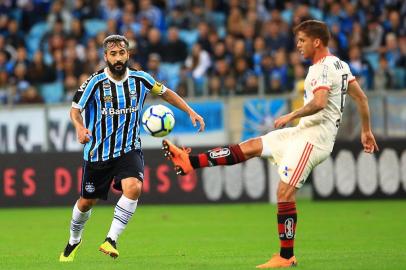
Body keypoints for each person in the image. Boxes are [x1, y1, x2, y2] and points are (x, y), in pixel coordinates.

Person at [162, 20, 379, 268]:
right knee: (253, 145)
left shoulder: (321, 69)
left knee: (284, 193)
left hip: (314, 139)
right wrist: (366, 130)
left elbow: (319, 103)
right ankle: (190, 162)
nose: (297, 45)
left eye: (302, 40)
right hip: (303, 132)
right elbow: (361, 98)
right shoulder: (340, 65)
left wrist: (291, 115)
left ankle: (286, 256)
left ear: (316, 41)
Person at [59, 34, 205, 262]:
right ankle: (74, 239)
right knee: (86, 202)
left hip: (129, 149)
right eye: (113, 54)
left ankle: (111, 239)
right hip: (98, 152)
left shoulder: (141, 79)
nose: (118, 58)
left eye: (122, 53)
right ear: (106, 56)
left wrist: (190, 111)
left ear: (128, 54)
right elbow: (75, 109)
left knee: (134, 187)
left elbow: (166, 93)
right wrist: (79, 127)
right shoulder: (95, 82)